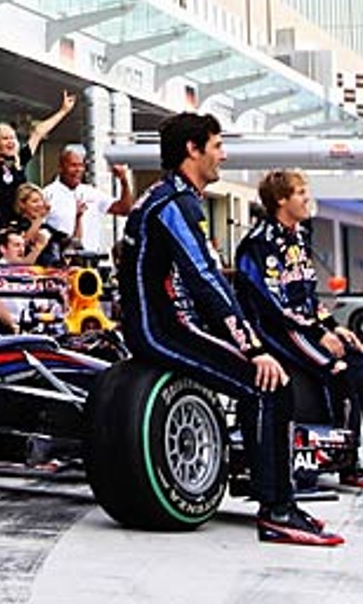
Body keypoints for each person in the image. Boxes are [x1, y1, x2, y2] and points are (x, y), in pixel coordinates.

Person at [119, 112, 342, 547]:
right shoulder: (173, 203)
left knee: (266, 377)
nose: (224, 155)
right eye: (217, 146)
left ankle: (278, 498)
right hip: (160, 330)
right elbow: (205, 278)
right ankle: (277, 511)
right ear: (193, 150)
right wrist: (253, 348)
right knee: (270, 384)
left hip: (169, 323)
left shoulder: (171, 196)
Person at [235, 170, 363, 489]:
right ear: (281, 200)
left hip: (307, 329)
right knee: (341, 372)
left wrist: (334, 327)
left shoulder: (299, 237)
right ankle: (347, 466)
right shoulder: (258, 244)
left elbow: (308, 296)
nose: (307, 199)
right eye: (300, 193)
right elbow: (274, 307)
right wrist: (320, 334)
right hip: (276, 333)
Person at [42, 143, 133, 254]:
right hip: (61, 260)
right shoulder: (48, 194)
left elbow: (124, 209)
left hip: (92, 258)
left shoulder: (91, 192)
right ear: (61, 167)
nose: (78, 170)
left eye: (81, 165)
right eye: (73, 165)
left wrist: (124, 181)